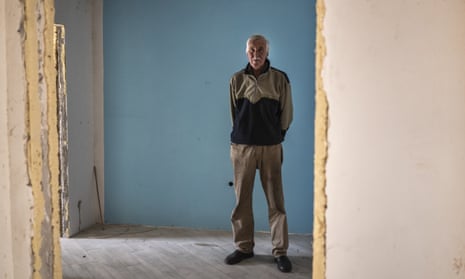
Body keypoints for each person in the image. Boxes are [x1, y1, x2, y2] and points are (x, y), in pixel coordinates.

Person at [225, 34, 293, 273]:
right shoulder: (236, 80)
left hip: (271, 148)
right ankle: (244, 247)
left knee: (276, 202)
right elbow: (233, 114)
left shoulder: (279, 79)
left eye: (260, 49)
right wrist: (241, 137)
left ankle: (280, 251)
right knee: (242, 200)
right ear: (247, 53)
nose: (256, 54)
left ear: (267, 51)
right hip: (242, 148)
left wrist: (277, 136)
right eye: (252, 50)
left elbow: (287, 113)